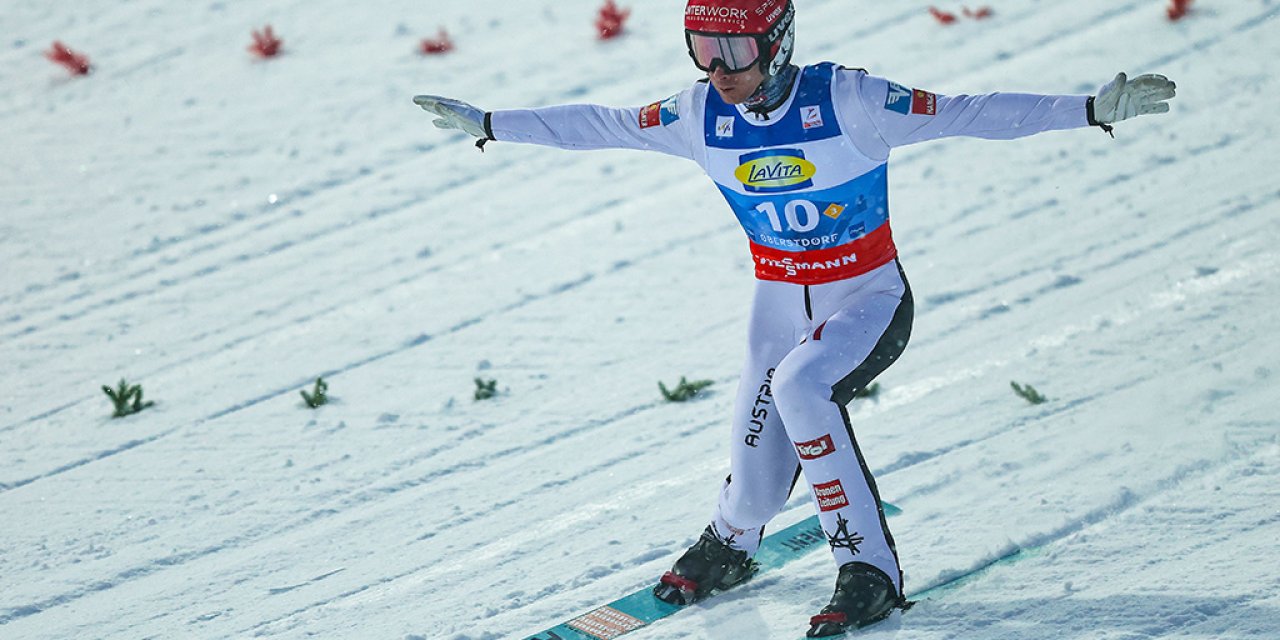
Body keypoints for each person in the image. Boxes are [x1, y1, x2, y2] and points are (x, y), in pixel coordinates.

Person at [414, 0, 1176, 635]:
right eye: (701, 49)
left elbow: (968, 112)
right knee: (751, 489)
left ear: (777, 45)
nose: (717, 69)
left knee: (805, 388)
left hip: (867, 302)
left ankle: (867, 568)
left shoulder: (849, 99)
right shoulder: (697, 114)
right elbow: (604, 124)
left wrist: (1088, 110)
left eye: (733, 49)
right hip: (776, 307)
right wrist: (490, 120)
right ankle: (731, 541)